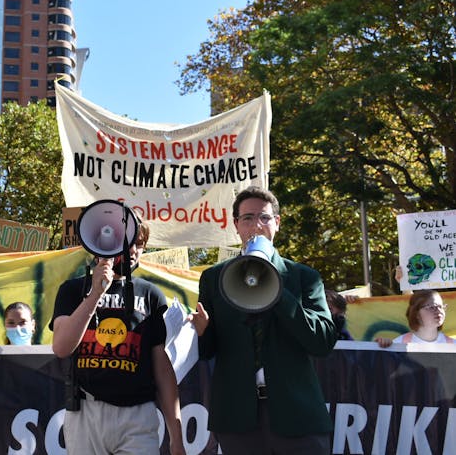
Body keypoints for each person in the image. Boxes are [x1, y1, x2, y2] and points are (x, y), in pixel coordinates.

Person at [189, 186, 337, 453]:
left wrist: (276, 288)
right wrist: (203, 331)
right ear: (236, 225)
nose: (256, 226)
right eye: (247, 218)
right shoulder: (214, 278)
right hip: (238, 419)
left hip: (298, 417)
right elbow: (208, 351)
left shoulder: (304, 277)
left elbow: (322, 342)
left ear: (277, 224)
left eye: (264, 217)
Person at [50, 216, 185, 455]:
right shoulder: (73, 289)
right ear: (104, 244)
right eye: (127, 241)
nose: (133, 250)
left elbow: (162, 368)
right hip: (85, 412)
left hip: (138, 415)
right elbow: (61, 347)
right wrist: (94, 295)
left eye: (140, 244)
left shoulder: (152, 295)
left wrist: (176, 436)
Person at [375, 289, 454, 347]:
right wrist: (385, 348)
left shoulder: (453, 345)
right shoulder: (399, 344)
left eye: (440, 306)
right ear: (416, 313)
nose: (438, 310)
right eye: (431, 307)